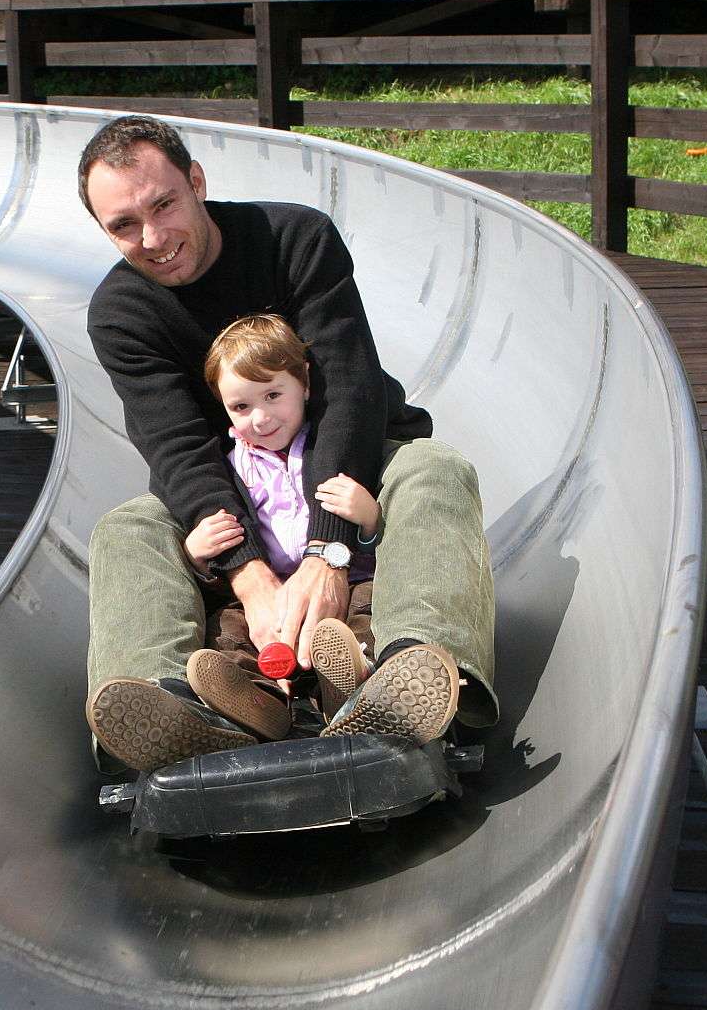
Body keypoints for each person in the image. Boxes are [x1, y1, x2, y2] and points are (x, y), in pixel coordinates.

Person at [78, 114, 499, 777]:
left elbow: (349, 389)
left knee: (433, 470)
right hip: (237, 483)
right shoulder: (121, 313)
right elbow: (180, 447)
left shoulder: (294, 239)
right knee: (127, 528)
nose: (153, 239)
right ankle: (180, 712)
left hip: (346, 461)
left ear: (196, 183)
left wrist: (326, 553)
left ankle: (421, 671)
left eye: (164, 205)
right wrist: (249, 576)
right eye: (124, 225)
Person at [178, 314, 381, 744]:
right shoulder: (231, 471)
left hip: (345, 585)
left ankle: (349, 685)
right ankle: (257, 702)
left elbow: (376, 548)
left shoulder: (329, 446)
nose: (261, 417)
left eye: (273, 395)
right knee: (227, 629)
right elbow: (221, 571)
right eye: (241, 406)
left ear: (304, 383)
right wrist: (196, 556)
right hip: (268, 604)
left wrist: (369, 518)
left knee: (367, 608)